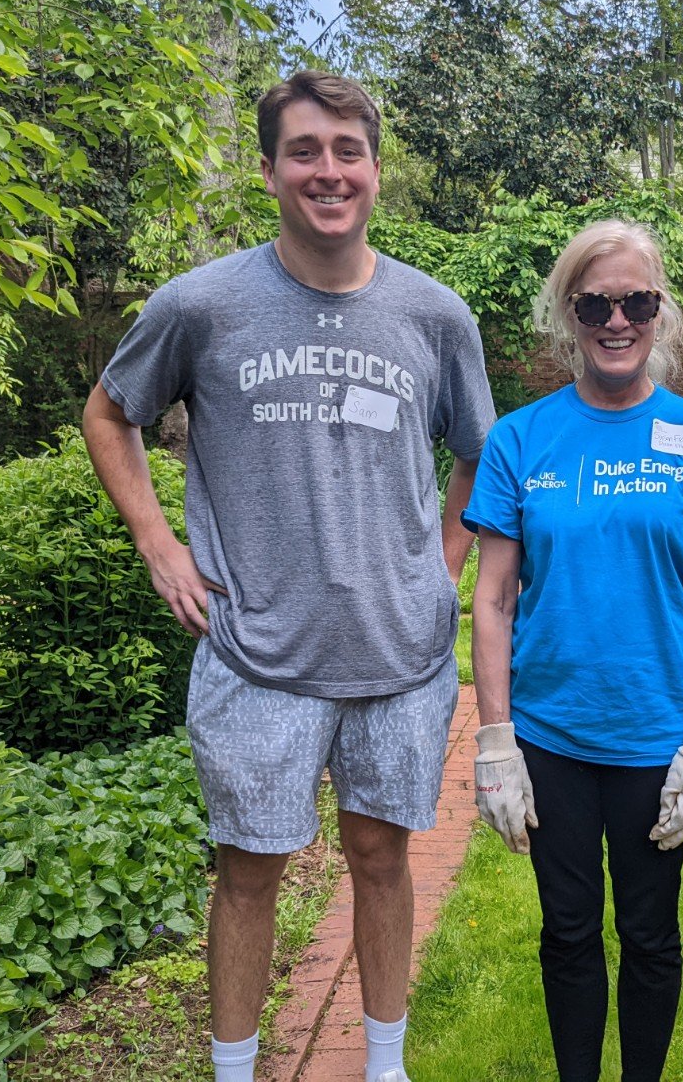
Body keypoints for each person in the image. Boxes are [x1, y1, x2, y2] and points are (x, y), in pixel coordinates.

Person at [82, 70, 494, 1082]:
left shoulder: (435, 316)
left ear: (375, 172)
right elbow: (109, 413)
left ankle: (384, 1064)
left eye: (347, 151)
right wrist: (160, 546)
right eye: (304, 150)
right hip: (253, 646)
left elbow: (480, 454)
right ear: (268, 169)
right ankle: (235, 1069)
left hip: (398, 653)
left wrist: (441, 566)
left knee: (382, 859)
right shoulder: (202, 305)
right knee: (248, 871)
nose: (327, 170)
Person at [462, 219, 683, 1082]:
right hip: (549, 735)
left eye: (636, 301)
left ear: (661, 312)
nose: (616, 319)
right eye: (595, 303)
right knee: (568, 931)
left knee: (652, 934)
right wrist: (493, 740)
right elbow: (491, 597)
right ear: (569, 314)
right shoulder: (521, 440)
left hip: (657, 732)